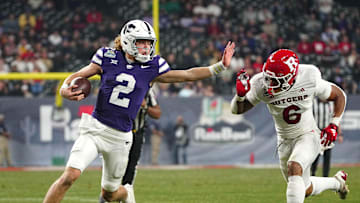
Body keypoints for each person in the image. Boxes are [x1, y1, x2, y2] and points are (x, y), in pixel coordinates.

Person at [43, 19, 235, 203]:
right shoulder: (107, 57)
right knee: (70, 176)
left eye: (148, 43)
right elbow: (78, 75)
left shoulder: (152, 66)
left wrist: (219, 67)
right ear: (127, 42)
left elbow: (187, 74)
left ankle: (125, 193)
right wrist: (63, 89)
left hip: (121, 138)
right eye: (141, 43)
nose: (146, 48)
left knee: (109, 195)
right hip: (95, 129)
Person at [231, 49, 349, 203]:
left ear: (291, 78)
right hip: (284, 141)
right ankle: (337, 183)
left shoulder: (308, 76)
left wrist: (334, 124)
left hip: (307, 134)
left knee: (294, 167)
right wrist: (239, 96)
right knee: (304, 188)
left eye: (274, 81)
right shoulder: (260, 83)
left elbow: (339, 95)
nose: (268, 84)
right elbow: (237, 110)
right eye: (267, 78)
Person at [99, 87, 161, 203]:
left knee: (130, 172)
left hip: (136, 135)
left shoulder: (147, 90)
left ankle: (122, 195)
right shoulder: (117, 85)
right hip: (117, 134)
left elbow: (157, 113)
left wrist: (145, 106)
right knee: (112, 171)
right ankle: (107, 196)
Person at [311, 98, 344, 177]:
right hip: (317, 132)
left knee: (327, 155)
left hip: (328, 132)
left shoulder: (331, 104)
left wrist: (340, 134)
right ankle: (313, 173)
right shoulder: (313, 103)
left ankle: (325, 176)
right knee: (315, 154)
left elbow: (336, 120)